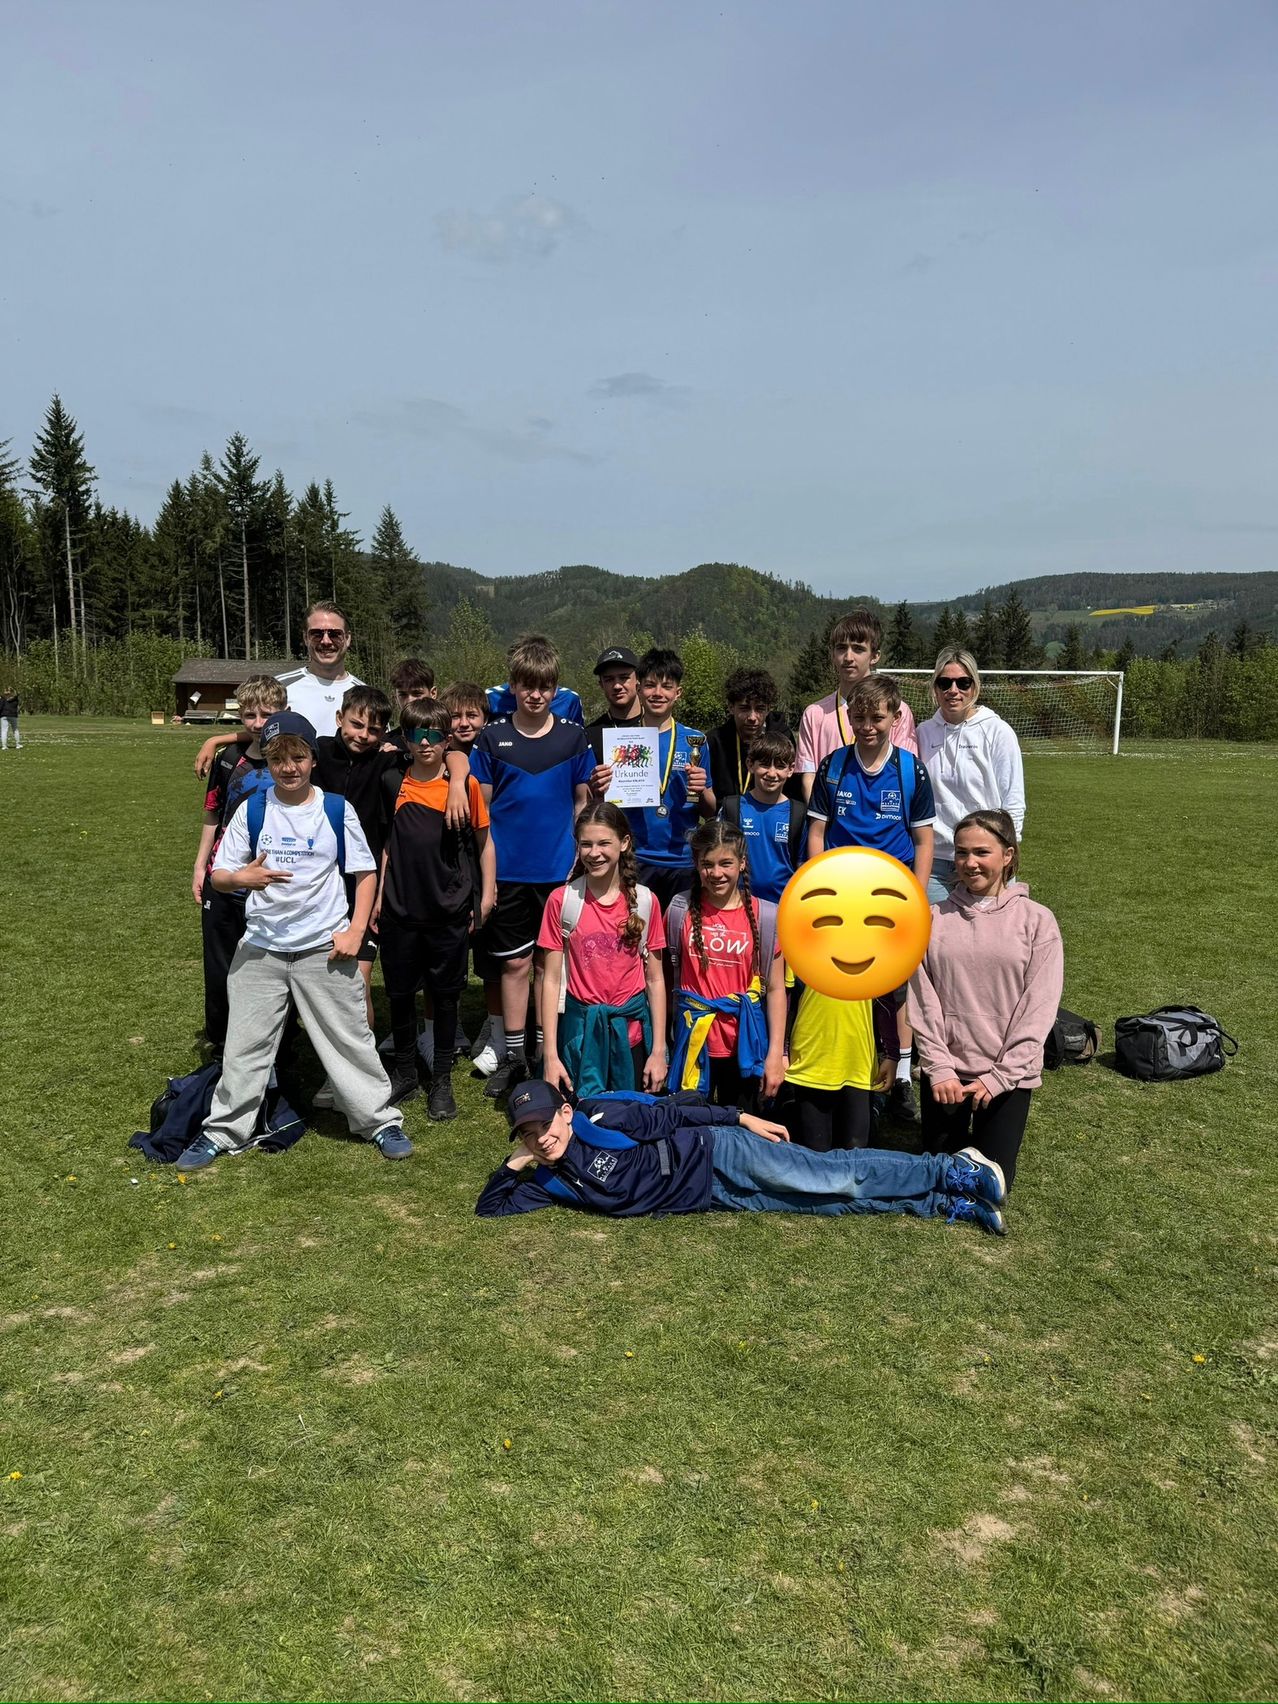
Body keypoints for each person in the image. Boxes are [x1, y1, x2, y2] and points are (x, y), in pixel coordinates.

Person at [175, 711, 410, 1172]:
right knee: (243, 1044)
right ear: (269, 760)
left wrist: (356, 930)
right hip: (261, 948)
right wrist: (241, 877)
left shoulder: (335, 809)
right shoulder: (253, 808)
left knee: (350, 1040)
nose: (289, 767)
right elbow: (220, 874)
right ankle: (223, 1131)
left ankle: (379, 1120)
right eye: (279, 758)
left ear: (312, 759)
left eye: (298, 756)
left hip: (324, 948)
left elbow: (365, 873)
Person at [475, 1079, 1008, 1235]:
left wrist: (741, 1118)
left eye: (544, 1125)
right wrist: (518, 1164)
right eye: (527, 1134)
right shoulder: (550, 1181)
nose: (541, 1138)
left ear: (564, 1113)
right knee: (825, 1208)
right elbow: (489, 1209)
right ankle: (941, 1203)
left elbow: (672, 1117)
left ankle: (950, 1166)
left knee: (832, 1178)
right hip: (713, 1196)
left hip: (720, 1153)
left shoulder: (599, 1119)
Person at [908, 809, 1063, 1190]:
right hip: (948, 1074)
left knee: (993, 1183)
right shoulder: (930, 919)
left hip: (1007, 1077)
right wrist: (939, 1068)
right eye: (962, 853)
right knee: (941, 1179)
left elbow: (1038, 1009)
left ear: (1008, 856)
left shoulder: (1038, 921)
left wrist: (1000, 1077)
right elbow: (921, 1000)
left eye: (982, 852)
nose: (970, 863)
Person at [807, 673, 936, 1126]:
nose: (867, 725)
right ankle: (845, 1071)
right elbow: (817, 832)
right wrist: (818, 888)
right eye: (859, 716)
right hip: (842, 895)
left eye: (877, 717)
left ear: (895, 718)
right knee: (842, 979)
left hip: (891, 898)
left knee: (893, 988)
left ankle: (899, 1078)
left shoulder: (909, 769)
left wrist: (914, 900)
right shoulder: (833, 766)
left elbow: (923, 842)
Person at [469, 635, 594, 1097]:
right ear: (514, 687)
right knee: (516, 965)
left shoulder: (572, 736)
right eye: (527, 686)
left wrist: (580, 860)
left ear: (555, 688)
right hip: (508, 873)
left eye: (544, 686)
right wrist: (487, 876)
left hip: (558, 873)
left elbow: (583, 803)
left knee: (551, 966)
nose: (535, 694)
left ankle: (547, 1053)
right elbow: (481, 815)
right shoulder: (491, 736)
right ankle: (514, 1057)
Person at [375, 704, 495, 1119]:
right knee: (401, 995)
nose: (425, 742)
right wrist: (377, 900)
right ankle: (406, 1071)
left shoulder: (465, 785)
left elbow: (484, 844)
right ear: (405, 738)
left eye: (433, 733)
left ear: (447, 738)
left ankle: (441, 1080)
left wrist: (486, 894)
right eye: (416, 733)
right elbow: (387, 845)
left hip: (448, 911)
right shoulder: (393, 780)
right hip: (400, 910)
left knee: (445, 999)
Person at [537, 803, 668, 1098]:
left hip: (632, 1037)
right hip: (580, 1038)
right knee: (581, 1125)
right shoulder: (562, 901)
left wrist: (658, 1050)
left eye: (604, 843)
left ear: (624, 843)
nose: (594, 853)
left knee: (632, 1125)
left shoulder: (646, 902)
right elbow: (551, 979)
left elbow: (656, 980)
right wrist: (550, 1056)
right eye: (586, 844)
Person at [191, 674, 287, 1055]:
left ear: (283, 712)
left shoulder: (292, 759)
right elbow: (212, 812)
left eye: (267, 714)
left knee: (271, 966)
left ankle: (279, 1042)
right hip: (225, 877)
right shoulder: (229, 760)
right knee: (221, 966)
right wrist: (200, 865)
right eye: (250, 715)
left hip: (270, 881)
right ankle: (222, 1041)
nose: (258, 723)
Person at [665, 819, 786, 1112]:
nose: (716, 873)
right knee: (692, 1133)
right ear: (696, 864)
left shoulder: (766, 916)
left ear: (742, 863)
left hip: (745, 1047)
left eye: (726, 863)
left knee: (745, 1134)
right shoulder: (678, 910)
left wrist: (775, 1055)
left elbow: (777, 989)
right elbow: (667, 982)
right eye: (708, 864)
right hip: (693, 1042)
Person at [192, 601, 364, 779]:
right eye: (316, 634)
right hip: (286, 793)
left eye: (335, 634)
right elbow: (261, 730)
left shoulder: (364, 693)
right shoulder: (281, 686)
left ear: (348, 638)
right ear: (305, 637)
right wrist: (215, 741)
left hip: (344, 795)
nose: (326, 641)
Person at [916, 647, 1027, 903]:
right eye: (944, 683)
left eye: (962, 682)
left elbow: (1013, 800)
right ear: (935, 688)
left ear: (974, 686)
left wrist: (1007, 856)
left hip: (984, 858)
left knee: (993, 938)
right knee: (935, 938)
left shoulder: (997, 731)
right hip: (936, 860)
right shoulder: (922, 733)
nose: (953, 690)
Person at [441, 680, 505, 1074]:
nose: (464, 723)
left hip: (487, 860)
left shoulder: (492, 751)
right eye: (456, 716)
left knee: (493, 953)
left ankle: (495, 1026)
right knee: (456, 951)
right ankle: (452, 1028)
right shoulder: (443, 754)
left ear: (485, 718)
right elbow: (454, 759)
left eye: (472, 715)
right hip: (451, 863)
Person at [795, 609, 918, 801]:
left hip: (881, 820)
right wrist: (825, 819)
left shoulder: (898, 710)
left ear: (875, 656)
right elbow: (808, 777)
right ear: (832, 653)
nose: (848, 657)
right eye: (841, 648)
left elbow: (904, 773)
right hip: (831, 823)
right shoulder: (815, 714)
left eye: (858, 649)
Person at [625, 647, 713, 909]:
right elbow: (610, 805)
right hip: (635, 858)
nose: (658, 693)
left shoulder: (695, 741)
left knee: (678, 940)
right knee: (636, 938)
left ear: (678, 693)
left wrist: (702, 789)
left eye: (666, 686)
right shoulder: (622, 742)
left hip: (682, 860)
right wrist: (602, 787)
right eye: (650, 685)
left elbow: (709, 811)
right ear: (639, 689)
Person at [784, 980, 899, 1151]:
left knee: (855, 1149)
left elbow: (885, 998)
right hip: (810, 1059)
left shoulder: (872, 954)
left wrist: (892, 1053)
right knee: (814, 1149)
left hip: (858, 1062)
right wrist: (782, 1050)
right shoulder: (801, 952)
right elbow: (786, 995)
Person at [716, 729, 805, 904]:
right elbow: (717, 857)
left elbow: (803, 867)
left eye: (780, 766)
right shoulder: (732, 808)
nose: (772, 773)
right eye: (764, 764)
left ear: (791, 770)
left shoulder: (799, 814)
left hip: (783, 905)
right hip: (737, 905)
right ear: (750, 764)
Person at [704, 667, 797, 807]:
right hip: (725, 820)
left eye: (760, 709)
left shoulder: (783, 737)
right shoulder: (714, 741)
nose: (752, 717)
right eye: (744, 708)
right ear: (731, 707)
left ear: (769, 708)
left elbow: (792, 789)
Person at [584, 645, 644, 796]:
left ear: (638, 680)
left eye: (624, 677)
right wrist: (594, 787)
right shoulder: (589, 735)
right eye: (609, 679)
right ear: (601, 685)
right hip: (611, 817)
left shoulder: (658, 727)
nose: (617, 686)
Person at [487, 634, 585, 725]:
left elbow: (577, 737)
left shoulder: (569, 700)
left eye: (544, 687)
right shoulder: (492, 698)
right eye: (528, 685)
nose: (536, 696)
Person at [383, 658, 438, 754]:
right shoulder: (386, 744)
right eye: (403, 695)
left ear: (433, 693)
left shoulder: (446, 740)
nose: (409, 701)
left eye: (417, 694)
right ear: (395, 697)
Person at [0, 686, 21, 750]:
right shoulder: (15, 699)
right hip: (13, 715)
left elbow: (0, 707)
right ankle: (18, 744)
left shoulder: (3, 699)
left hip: (4, 715)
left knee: (4, 731)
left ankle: (4, 746)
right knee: (15, 730)